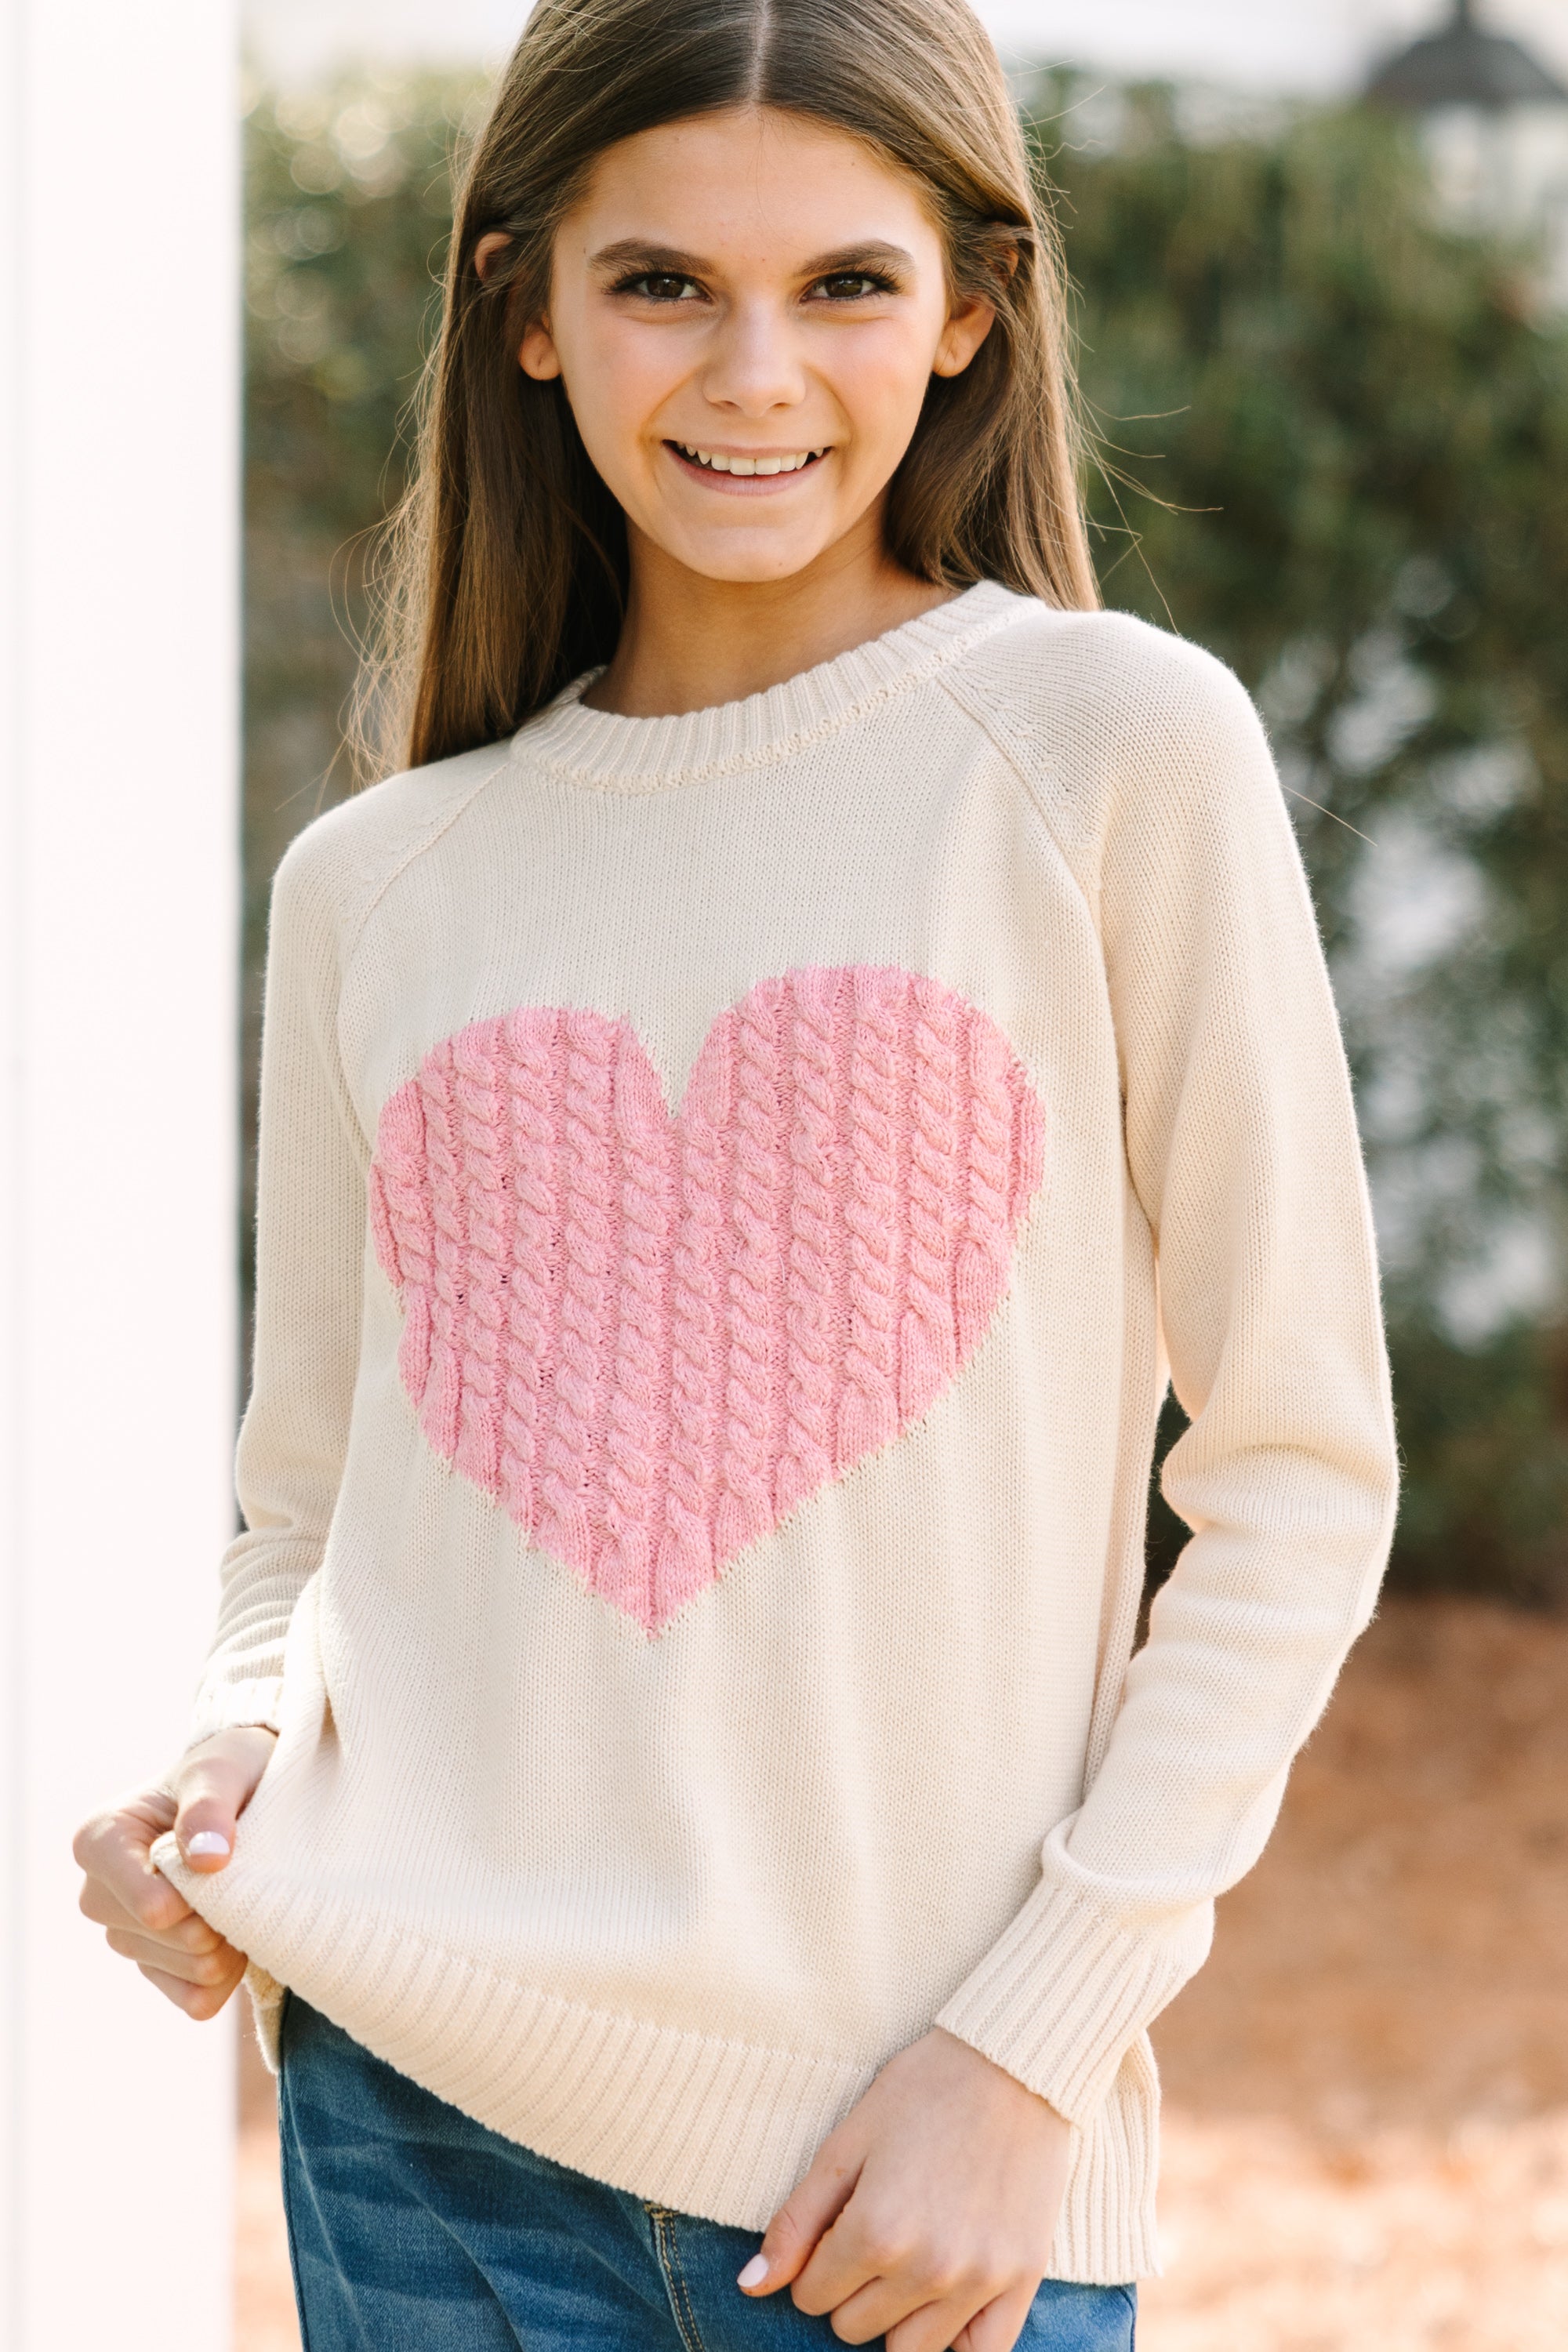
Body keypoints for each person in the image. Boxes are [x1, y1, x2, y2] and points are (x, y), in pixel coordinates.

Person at [73, 2, 1398, 2345]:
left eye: (848, 287)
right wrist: (226, 1768)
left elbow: (1299, 1473)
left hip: (926, 2175)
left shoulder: (1110, 753)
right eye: (663, 282)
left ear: (974, 308)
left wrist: (1027, 2045)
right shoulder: (375, 882)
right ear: (527, 309)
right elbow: (310, 1519)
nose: (752, 373)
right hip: (417, 2143)